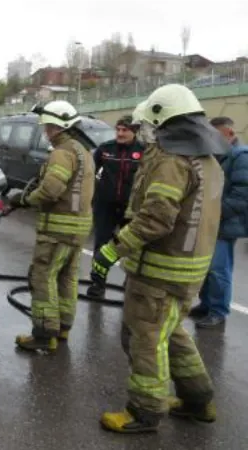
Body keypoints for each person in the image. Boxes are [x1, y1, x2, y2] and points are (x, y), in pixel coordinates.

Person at [92, 84, 229, 433]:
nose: (146, 134)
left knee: (145, 337)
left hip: (160, 270)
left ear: (162, 119)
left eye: (149, 126)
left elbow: (156, 218)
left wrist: (112, 248)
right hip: (189, 269)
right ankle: (199, 401)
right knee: (172, 333)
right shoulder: (208, 161)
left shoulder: (172, 161)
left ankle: (144, 411)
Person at [8, 100, 96, 351]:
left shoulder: (62, 152)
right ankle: (63, 328)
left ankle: (45, 335)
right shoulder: (83, 151)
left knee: (43, 276)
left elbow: (50, 190)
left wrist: (24, 199)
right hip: (78, 228)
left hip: (58, 229)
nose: (46, 131)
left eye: (49, 126)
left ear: (61, 126)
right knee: (67, 278)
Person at [188, 116, 248, 329]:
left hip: (224, 223)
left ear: (229, 134)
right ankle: (206, 305)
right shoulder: (217, 154)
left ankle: (218, 311)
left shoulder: (241, 157)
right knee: (206, 266)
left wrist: (215, 213)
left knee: (218, 269)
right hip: (211, 221)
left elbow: (242, 196)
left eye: (215, 134)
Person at [86, 115, 145, 299]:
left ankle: (131, 285)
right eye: (118, 129)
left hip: (132, 209)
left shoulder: (145, 151)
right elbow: (90, 172)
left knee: (132, 247)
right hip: (105, 206)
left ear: (134, 131)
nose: (120, 133)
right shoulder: (105, 149)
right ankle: (98, 283)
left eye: (124, 130)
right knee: (101, 245)